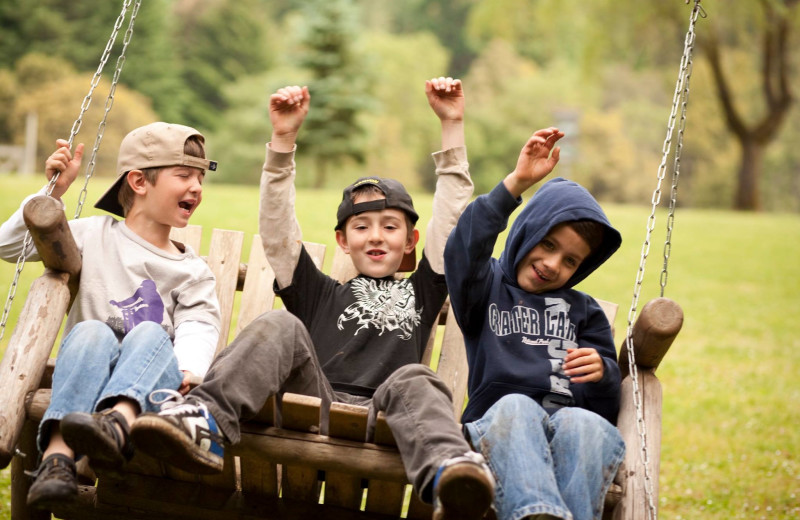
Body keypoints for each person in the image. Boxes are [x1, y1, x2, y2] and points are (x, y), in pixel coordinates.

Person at [130, 78, 494, 520]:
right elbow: (279, 232)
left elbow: (452, 216)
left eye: (390, 226)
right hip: (313, 408)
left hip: (387, 422)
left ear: (412, 239)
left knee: (416, 376)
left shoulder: (425, 288)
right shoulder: (319, 294)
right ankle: (202, 420)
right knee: (280, 324)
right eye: (361, 227)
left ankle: (447, 472)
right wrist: (283, 142)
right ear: (342, 240)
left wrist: (452, 125)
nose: (376, 236)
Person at [0, 123, 222, 509]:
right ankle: (57, 462)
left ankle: (116, 424)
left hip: (150, 388)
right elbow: (9, 245)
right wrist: (53, 192)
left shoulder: (192, 270)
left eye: (200, 178)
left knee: (151, 334)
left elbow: (199, 323)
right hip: (89, 368)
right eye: (184, 175)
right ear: (138, 181)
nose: (197, 187)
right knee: (90, 332)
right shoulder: (94, 234)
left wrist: (189, 366)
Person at [443, 129, 625, 520]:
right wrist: (517, 183)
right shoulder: (485, 287)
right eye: (548, 244)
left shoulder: (585, 312)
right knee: (517, 407)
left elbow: (605, 407)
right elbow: (464, 247)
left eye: (572, 261)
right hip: (498, 431)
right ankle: (536, 513)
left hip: (567, 431)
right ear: (527, 233)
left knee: (584, 424)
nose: (553, 264)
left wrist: (603, 374)